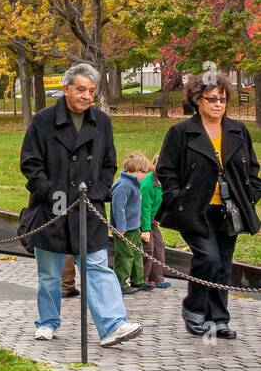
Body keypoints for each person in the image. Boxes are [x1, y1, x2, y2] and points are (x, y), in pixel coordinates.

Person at [19, 62, 142, 347]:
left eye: (91, 91)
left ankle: (112, 324)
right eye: (81, 89)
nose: (87, 96)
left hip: (89, 206)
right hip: (52, 207)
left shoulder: (102, 122)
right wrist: (50, 192)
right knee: (49, 272)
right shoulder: (44, 121)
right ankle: (47, 321)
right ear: (66, 89)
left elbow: (109, 162)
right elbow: (31, 164)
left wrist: (98, 191)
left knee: (98, 265)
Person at [155, 72, 261, 339]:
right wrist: (177, 200)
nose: (218, 104)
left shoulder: (237, 130)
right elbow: (166, 171)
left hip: (229, 210)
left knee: (223, 264)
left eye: (223, 100)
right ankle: (194, 309)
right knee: (208, 257)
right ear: (197, 100)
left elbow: (253, 170)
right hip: (194, 209)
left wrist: (250, 196)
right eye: (212, 99)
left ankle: (218, 319)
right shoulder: (181, 132)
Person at [110, 152, 151, 293]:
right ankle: (120, 283)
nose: (145, 175)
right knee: (125, 256)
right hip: (124, 229)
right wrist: (121, 227)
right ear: (135, 170)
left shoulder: (134, 184)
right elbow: (118, 208)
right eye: (144, 172)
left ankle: (137, 280)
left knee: (137, 253)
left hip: (134, 227)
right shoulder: (123, 185)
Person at [141, 154, 170, 290]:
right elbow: (144, 208)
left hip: (154, 220)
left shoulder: (164, 182)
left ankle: (157, 277)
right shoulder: (148, 184)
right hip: (145, 219)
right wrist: (145, 229)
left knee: (159, 247)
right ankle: (143, 279)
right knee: (148, 248)